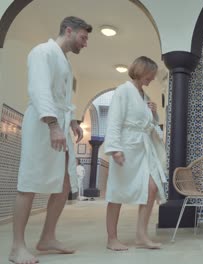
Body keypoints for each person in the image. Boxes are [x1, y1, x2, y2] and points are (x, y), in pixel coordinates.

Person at [8, 16, 92, 264]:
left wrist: (73, 120)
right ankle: (17, 247)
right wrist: (53, 124)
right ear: (69, 30)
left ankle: (47, 237)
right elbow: (39, 89)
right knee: (29, 183)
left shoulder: (64, 62)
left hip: (59, 123)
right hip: (43, 125)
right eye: (83, 37)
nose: (85, 43)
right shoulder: (42, 52)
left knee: (64, 183)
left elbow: (63, 98)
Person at [104, 56, 167, 251]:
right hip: (126, 147)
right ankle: (112, 238)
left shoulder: (144, 96)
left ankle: (141, 235)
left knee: (152, 187)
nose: (152, 79)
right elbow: (114, 120)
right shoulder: (123, 91)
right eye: (151, 75)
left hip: (143, 148)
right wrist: (115, 149)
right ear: (141, 71)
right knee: (116, 192)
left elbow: (149, 124)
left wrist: (155, 113)